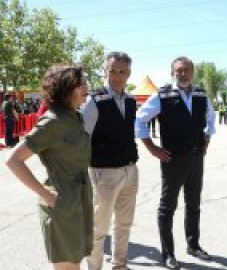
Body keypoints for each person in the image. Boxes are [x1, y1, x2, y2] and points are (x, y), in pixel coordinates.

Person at [5, 64, 92, 270]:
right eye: (83, 84)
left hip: (80, 198)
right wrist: (46, 195)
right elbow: (13, 161)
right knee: (67, 265)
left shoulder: (74, 116)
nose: (87, 87)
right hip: (61, 202)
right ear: (68, 87)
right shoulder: (52, 122)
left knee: (75, 262)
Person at [135, 56, 216, 269]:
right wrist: (152, 148)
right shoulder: (162, 95)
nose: (183, 74)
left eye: (187, 70)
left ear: (192, 72)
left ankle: (194, 245)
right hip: (173, 159)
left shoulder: (200, 94)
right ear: (173, 72)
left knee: (194, 203)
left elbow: (211, 118)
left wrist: (207, 137)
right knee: (167, 206)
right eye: (179, 70)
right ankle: (168, 254)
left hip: (197, 157)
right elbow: (139, 120)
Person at [80, 52, 139, 270]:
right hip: (104, 172)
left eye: (121, 71)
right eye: (112, 70)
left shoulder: (132, 101)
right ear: (105, 71)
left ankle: (119, 265)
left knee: (124, 223)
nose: (116, 76)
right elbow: (82, 138)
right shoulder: (94, 101)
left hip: (130, 170)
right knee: (99, 227)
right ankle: (94, 267)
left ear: (129, 74)